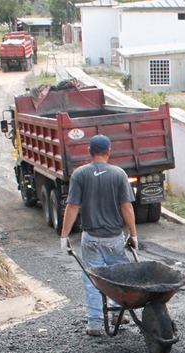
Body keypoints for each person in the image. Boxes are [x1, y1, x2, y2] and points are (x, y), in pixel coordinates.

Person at [60, 134, 138, 337]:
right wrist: (134, 234)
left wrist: (64, 236)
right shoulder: (119, 174)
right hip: (113, 237)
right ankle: (118, 315)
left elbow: (72, 207)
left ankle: (95, 324)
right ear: (109, 151)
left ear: (89, 152)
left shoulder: (80, 174)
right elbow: (126, 207)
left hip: (91, 238)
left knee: (92, 279)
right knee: (118, 278)